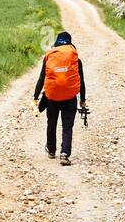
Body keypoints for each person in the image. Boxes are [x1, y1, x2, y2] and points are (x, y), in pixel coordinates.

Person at [33, 31, 86, 165]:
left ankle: (51, 150)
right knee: (67, 127)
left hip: (52, 96)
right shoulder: (75, 59)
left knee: (52, 123)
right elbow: (82, 81)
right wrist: (83, 100)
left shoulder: (50, 57)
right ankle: (64, 153)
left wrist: (35, 97)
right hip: (70, 97)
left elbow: (41, 78)